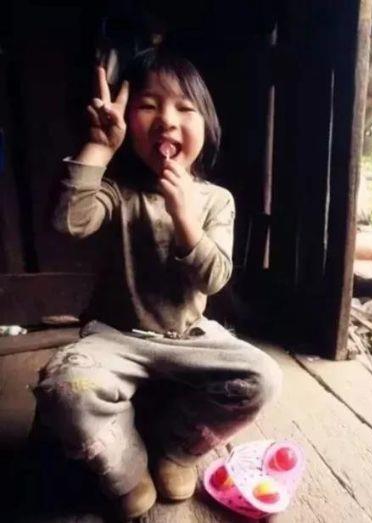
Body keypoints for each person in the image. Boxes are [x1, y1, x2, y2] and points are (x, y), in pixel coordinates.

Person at [33, 48, 282, 519]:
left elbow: (215, 277)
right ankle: (126, 469)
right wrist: (99, 148)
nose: (167, 120)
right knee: (65, 391)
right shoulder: (116, 192)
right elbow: (67, 222)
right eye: (148, 105)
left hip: (190, 337)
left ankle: (175, 449)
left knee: (262, 379)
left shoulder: (216, 200)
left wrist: (186, 218)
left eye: (185, 108)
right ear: (127, 123)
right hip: (114, 336)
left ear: (206, 126)